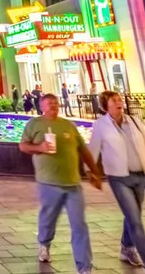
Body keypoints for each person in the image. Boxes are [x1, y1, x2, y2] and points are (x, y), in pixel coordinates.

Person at [19, 94, 101, 274]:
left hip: (73, 183)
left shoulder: (68, 125)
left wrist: (94, 171)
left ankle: (84, 267)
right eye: (50, 103)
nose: (54, 105)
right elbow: (23, 146)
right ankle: (44, 243)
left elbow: (83, 150)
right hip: (48, 182)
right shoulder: (34, 124)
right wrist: (39, 148)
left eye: (56, 102)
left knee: (79, 225)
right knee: (48, 219)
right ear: (42, 106)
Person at [88, 91, 145, 273]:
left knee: (133, 216)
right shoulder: (101, 125)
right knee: (135, 220)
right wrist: (91, 172)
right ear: (106, 105)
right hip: (118, 178)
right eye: (114, 100)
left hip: (140, 177)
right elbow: (92, 151)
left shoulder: (135, 121)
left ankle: (127, 247)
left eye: (120, 99)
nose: (119, 102)